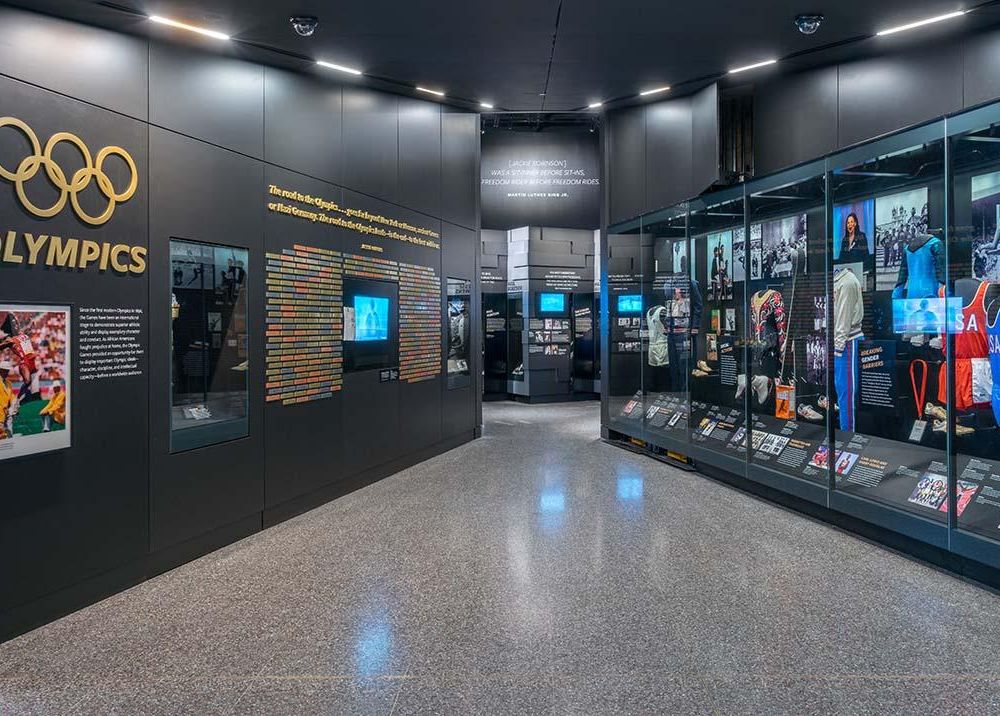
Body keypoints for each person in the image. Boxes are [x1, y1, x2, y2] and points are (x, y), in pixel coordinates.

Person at [0, 361, 15, 439]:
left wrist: (14, 407)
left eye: (8, 370)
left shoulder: (9, 383)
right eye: (5, 370)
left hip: (7, 414)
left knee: (9, 437)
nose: (7, 372)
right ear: (1, 370)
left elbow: (12, 397)